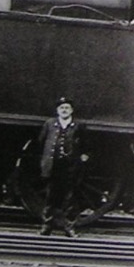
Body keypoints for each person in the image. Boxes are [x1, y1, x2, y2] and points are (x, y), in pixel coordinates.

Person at [38, 96, 85, 237]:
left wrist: (83, 156)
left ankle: (69, 227)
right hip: (53, 165)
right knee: (50, 196)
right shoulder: (49, 124)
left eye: (67, 108)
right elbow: (41, 141)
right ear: (57, 110)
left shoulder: (78, 125)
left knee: (69, 198)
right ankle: (47, 225)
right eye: (62, 108)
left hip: (70, 166)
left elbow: (85, 143)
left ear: (71, 110)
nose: (64, 110)